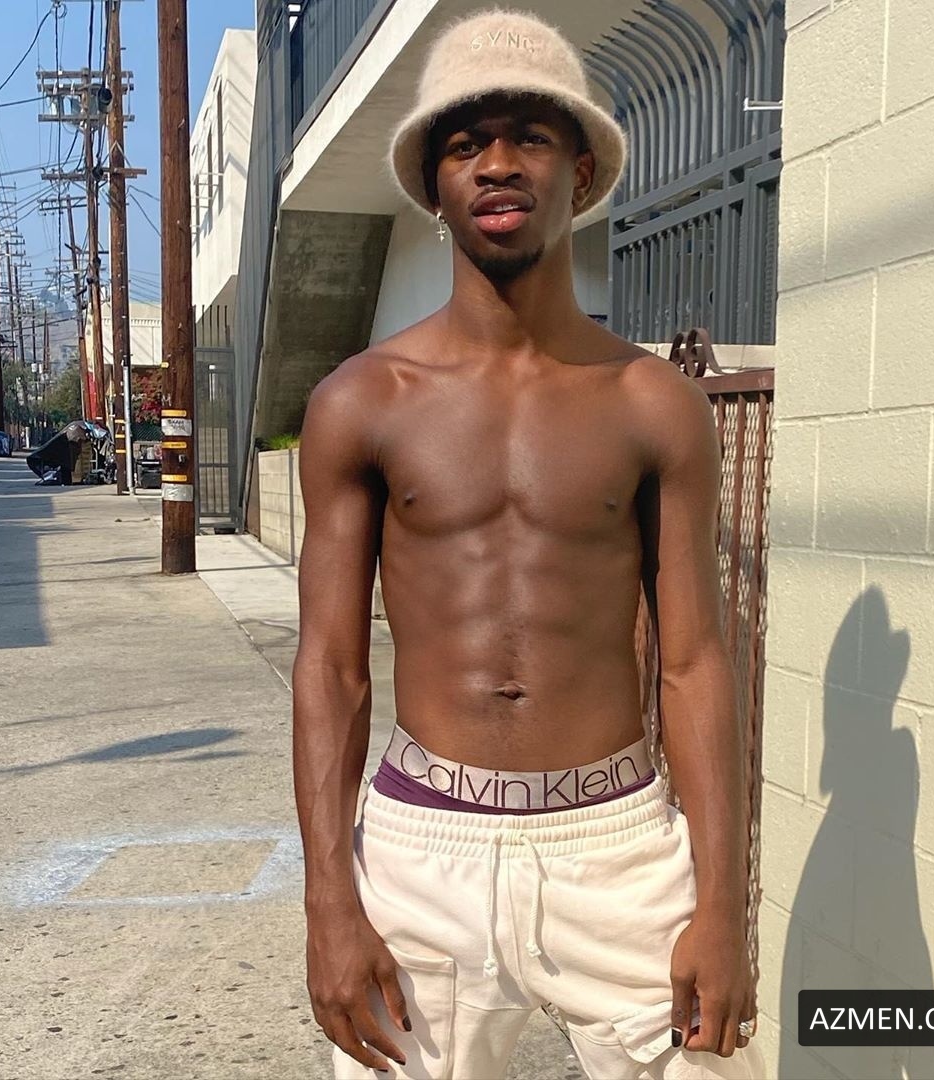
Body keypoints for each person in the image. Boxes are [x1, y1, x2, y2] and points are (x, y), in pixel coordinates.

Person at [292, 9, 767, 1079]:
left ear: (580, 169)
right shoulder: (363, 401)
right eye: (466, 142)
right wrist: (329, 900)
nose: (498, 164)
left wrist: (722, 905)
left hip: (617, 847)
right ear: (434, 183)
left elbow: (695, 662)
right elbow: (328, 665)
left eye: (530, 137)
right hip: (420, 852)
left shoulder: (652, 401)